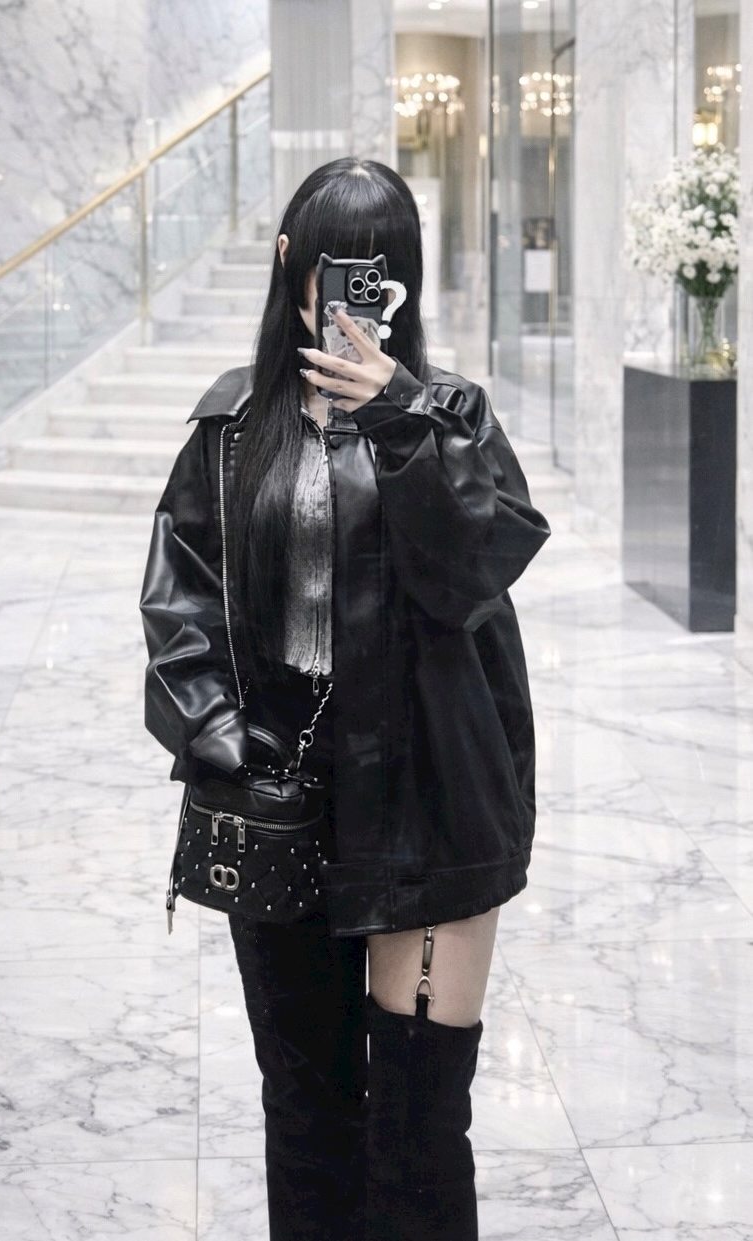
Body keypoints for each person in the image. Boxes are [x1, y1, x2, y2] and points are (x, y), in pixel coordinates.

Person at [140, 157, 550, 1241]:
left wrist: (402, 413)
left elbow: (475, 572)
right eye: (337, 267)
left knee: (420, 1120)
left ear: (403, 280)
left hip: (428, 797)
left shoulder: (448, 416)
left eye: (379, 270)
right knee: (306, 1108)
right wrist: (221, 740)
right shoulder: (233, 426)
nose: (354, 295)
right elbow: (180, 598)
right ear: (292, 265)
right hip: (280, 801)